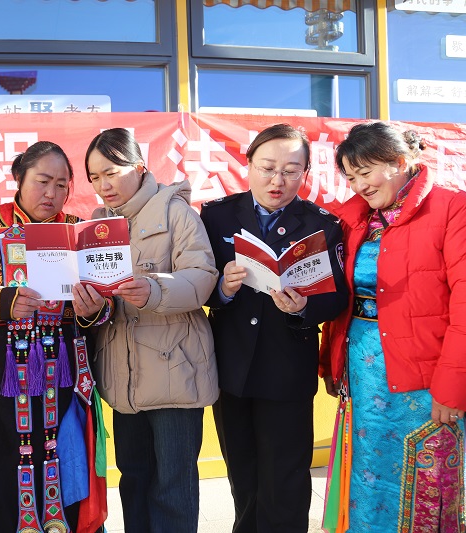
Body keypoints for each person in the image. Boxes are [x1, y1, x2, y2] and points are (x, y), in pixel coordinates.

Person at [320, 121, 466, 531]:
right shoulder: (353, 219)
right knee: (365, 480)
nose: (359, 186)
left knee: (427, 486)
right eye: (351, 177)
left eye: (366, 173)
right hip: (363, 375)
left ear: (401, 162)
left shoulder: (454, 209)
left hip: (428, 380)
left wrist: (455, 388)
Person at [200, 123, 348, 533]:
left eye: (290, 171)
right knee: (242, 476)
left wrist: (304, 307)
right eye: (267, 168)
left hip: (287, 370)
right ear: (248, 165)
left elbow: (337, 296)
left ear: (305, 173)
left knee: (285, 480)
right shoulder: (216, 215)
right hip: (231, 370)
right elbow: (196, 280)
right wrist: (222, 289)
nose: (277, 181)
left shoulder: (322, 224)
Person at [0, 141, 109, 533]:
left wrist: (93, 309)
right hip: (0, 371)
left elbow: (106, 302)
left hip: (64, 372)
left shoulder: (79, 231)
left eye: (61, 184)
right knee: (5, 460)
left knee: (63, 456)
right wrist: (1, 300)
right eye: (42, 181)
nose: (51, 193)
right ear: (18, 178)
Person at [84, 127, 219, 533]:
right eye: (94, 177)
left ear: (139, 167)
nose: (103, 186)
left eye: (111, 173)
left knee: (173, 487)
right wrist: (90, 307)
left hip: (174, 370)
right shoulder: (97, 225)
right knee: (134, 479)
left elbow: (202, 276)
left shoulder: (176, 212)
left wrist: (155, 290)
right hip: (123, 376)